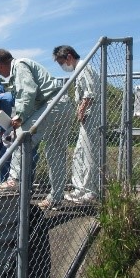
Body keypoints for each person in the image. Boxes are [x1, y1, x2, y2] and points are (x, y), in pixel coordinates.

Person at [0, 48, 70, 210]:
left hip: (52, 104)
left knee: (22, 136)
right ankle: (56, 197)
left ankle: (16, 180)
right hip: (62, 105)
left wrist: (19, 116)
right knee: (55, 153)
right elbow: (32, 94)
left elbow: (27, 91)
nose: (0, 75)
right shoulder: (24, 64)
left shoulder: (18, 66)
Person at [53, 45, 100, 204]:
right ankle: (80, 189)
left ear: (69, 57)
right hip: (88, 118)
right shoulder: (79, 69)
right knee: (80, 153)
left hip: (91, 117)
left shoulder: (83, 67)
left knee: (88, 155)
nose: (62, 66)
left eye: (61, 62)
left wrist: (80, 110)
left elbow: (89, 93)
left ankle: (89, 191)